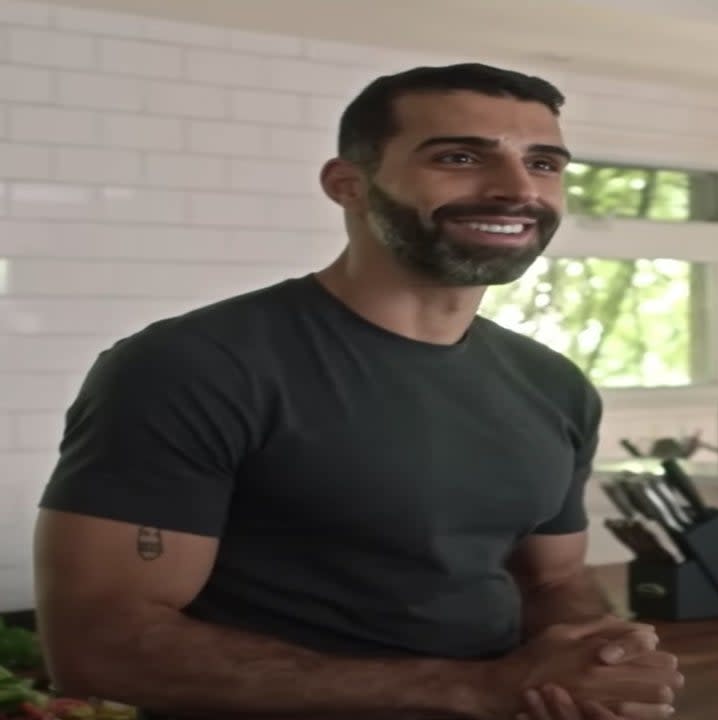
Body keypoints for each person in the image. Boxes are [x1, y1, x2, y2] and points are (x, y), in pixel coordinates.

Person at [34, 63, 683, 720]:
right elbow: (101, 645)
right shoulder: (193, 366)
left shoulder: (553, 385)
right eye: (459, 157)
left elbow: (554, 579)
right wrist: (477, 690)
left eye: (543, 163)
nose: (517, 189)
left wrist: (603, 658)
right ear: (348, 185)